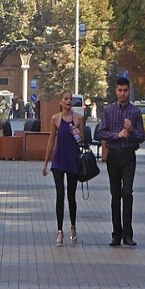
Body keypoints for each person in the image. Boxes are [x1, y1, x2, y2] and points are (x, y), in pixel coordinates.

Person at [99, 77, 145, 247]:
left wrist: (131, 130)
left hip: (128, 156)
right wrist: (117, 135)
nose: (123, 93)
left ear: (129, 91)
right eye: (120, 90)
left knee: (127, 193)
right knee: (115, 195)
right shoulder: (109, 110)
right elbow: (100, 132)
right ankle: (116, 234)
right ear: (116, 91)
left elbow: (141, 136)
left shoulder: (135, 112)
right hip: (114, 155)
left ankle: (128, 234)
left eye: (125, 90)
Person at [41, 92, 84, 246]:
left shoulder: (78, 118)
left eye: (71, 99)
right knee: (60, 194)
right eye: (66, 99)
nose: (68, 101)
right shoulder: (55, 119)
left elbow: (83, 140)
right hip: (59, 160)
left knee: (71, 196)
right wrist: (46, 162)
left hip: (72, 160)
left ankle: (73, 226)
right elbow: (51, 140)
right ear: (61, 101)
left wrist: (79, 134)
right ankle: (59, 230)